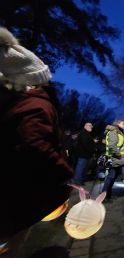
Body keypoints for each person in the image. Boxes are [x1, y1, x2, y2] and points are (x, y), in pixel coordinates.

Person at [0, 27, 72, 252]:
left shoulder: (15, 105)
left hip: (11, 188)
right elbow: (35, 144)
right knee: (13, 241)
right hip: (19, 191)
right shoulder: (35, 105)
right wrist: (64, 173)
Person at [102, 119, 124, 201]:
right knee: (111, 177)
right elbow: (111, 146)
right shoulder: (114, 132)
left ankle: (107, 195)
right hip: (115, 158)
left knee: (112, 177)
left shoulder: (118, 132)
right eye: (123, 123)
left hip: (118, 159)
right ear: (118, 124)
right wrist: (119, 155)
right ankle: (105, 196)